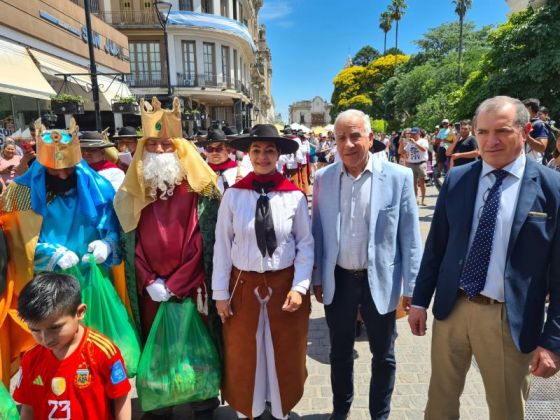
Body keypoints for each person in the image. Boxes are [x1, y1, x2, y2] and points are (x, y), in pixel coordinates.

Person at [408, 96, 560, 420]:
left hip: (509, 320)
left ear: (525, 130)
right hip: (452, 310)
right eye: (483, 132)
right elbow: (436, 246)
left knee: (507, 411)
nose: (491, 142)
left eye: (502, 131)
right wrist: (420, 301)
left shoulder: (551, 188)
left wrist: (553, 341)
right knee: (439, 406)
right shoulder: (459, 179)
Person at [114, 97, 221, 419]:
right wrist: (148, 281)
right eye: (153, 145)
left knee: (197, 341)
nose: (160, 151)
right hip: (151, 290)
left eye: (166, 144)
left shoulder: (202, 189)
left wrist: (177, 282)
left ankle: (202, 398)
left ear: (179, 147)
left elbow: (206, 239)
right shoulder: (131, 190)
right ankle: (160, 400)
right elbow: (128, 238)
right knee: (157, 343)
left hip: (191, 285)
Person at [312, 109, 422, 420]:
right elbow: (317, 231)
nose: (348, 144)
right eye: (341, 138)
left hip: (381, 280)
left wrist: (412, 289)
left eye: (355, 136)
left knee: (383, 356)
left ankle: (380, 414)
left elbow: (411, 237)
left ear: (370, 138)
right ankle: (340, 409)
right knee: (340, 352)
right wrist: (318, 277)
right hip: (340, 279)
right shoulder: (324, 179)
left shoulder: (398, 177)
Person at [0, 118, 120, 388]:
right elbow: (14, 243)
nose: (63, 176)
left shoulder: (98, 186)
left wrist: (108, 244)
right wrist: (47, 253)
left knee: (95, 350)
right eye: (55, 172)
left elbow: (114, 227)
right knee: (51, 351)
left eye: (69, 170)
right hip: (47, 285)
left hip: (92, 281)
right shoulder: (20, 193)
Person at [212, 124, 313, 420]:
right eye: (256, 150)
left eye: (269, 150)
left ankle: (281, 410)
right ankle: (248, 409)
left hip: (284, 284)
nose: (263, 156)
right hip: (243, 284)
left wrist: (300, 287)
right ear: (249, 154)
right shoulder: (234, 196)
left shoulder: (293, 196)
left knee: (284, 350)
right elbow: (222, 245)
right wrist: (220, 293)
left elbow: (306, 245)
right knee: (244, 352)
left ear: (279, 154)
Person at [13, 273, 131, 420]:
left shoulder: (102, 351)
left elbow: (120, 395)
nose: (46, 339)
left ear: (80, 312)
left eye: (55, 328)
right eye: (35, 330)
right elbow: (28, 406)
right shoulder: (31, 358)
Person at [197, 128, 248, 193]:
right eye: (210, 149)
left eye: (219, 149)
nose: (214, 153)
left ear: (228, 150)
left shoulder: (241, 173)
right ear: (206, 151)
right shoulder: (200, 173)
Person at [399, 127, 428, 205]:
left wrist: (415, 143)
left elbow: (424, 149)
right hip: (411, 163)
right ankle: (415, 198)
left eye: (413, 134)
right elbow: (402, 152)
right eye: (411, 134)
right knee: (413, 183)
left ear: (418, 133)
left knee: (422, 182)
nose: (412, 135)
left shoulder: (423, 141)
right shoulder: (409, 143)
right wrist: (401, 144)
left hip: (421, 163)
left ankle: (423, 199)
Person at [522, 98, 549, 163]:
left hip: (534, 165)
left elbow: (542, 148)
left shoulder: (539, 124)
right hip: (523, 163)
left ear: (529, 108)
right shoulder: (525, 122)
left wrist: (526, 136)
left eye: (523, 108)